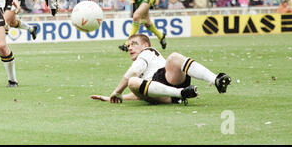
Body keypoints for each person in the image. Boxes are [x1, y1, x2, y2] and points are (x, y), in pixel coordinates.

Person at [91, 34, 231, 105]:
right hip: (167, 93)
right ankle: (182, 94)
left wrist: (117, 92)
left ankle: (216, 80)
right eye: (128, 46)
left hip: (167, 77)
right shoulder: (144, 76)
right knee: (134, 83)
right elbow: (141, 92)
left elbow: (133, 73)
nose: (130, 47)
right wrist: (112, 98)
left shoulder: (147, 52)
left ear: (145, 45)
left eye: (134, 44)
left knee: (174, 57)